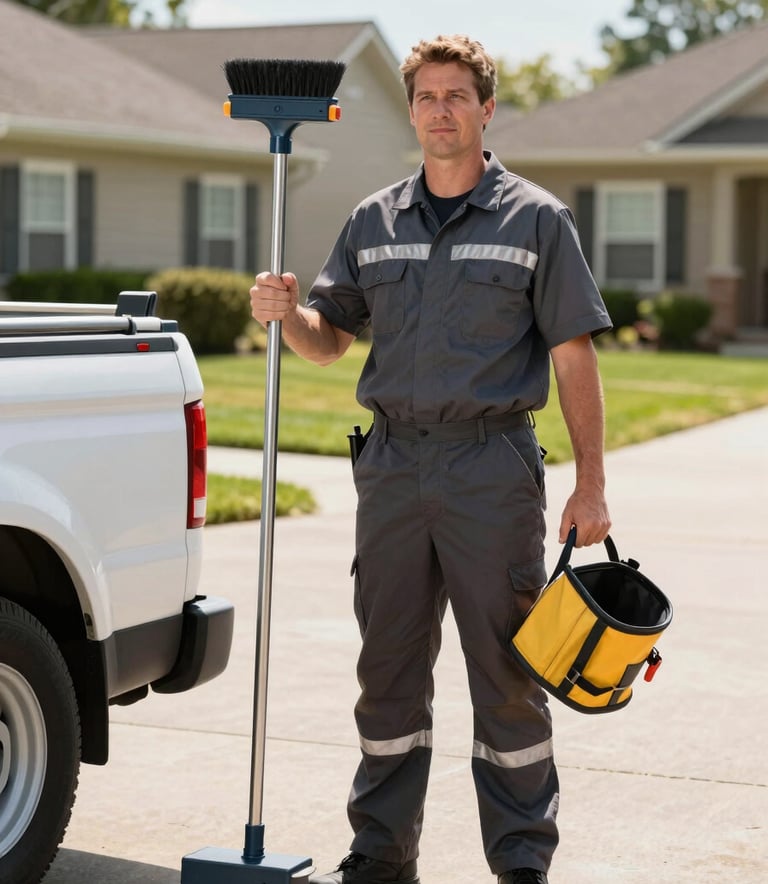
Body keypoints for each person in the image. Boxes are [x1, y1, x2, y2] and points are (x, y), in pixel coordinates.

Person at [249, 34, 611, 884]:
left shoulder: (537, 219)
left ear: (486, 109)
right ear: (411, 111)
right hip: (393, 469)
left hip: (491, 469)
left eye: (456, 96)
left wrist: (593, 483)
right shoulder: (372, 220)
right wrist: (286, 313)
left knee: (509, 674)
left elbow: (573, 358)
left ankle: (521, 861)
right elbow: (330, 340)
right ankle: (381, 854)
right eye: (425, 98)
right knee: (388, 672)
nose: (440, 111)